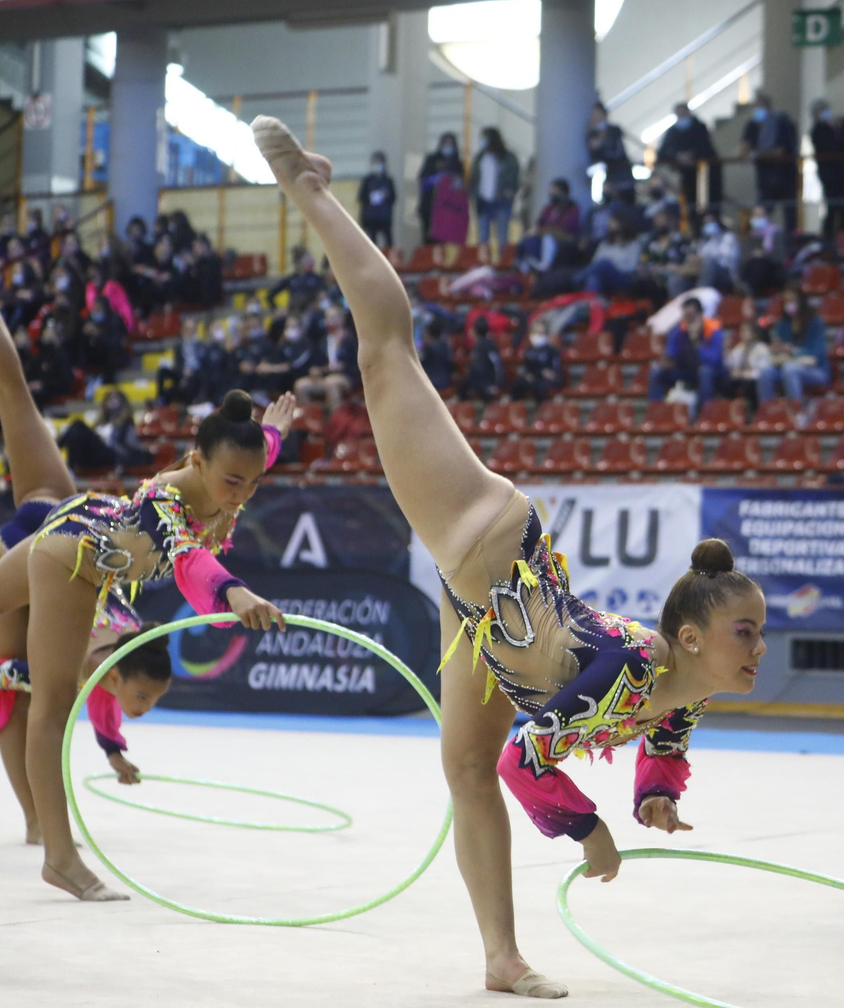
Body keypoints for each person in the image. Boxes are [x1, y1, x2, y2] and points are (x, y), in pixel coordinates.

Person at [254, 116, 768, 999]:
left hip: (487, 618)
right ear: (688, 639)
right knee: (386, 352)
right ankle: (309, 189)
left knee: (457, 767)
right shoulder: (623, 670)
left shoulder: (684, 690)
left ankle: (501, 957)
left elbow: (665, 741)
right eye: (747, 635)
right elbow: (527, 762)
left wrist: (655, 795)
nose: (759, 650)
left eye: (758, 635)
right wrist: (586, 830)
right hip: (483, 534)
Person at [0, 210, 292, 904]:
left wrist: (273, 438)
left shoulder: (223, 478)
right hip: (74, 556)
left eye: (252, 483)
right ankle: (60, 856)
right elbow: (193, 566)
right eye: (231, 482)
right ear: (196, 462)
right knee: (50, 706)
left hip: (76, 520)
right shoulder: (176, 500)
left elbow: (248, 464)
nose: (240, 498)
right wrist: (236, 595)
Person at [0, 630, 171, 844]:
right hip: (67, 625)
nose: (148, 708)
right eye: (142, 697)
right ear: (114, 677)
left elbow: (102, 695)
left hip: (108, 623)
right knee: (28, 703)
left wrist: (113, 752)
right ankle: (36, 822)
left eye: (155, 699)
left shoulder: (127, 659)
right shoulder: (66, 673)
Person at [649, 296, 724, 414]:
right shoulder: (678, 329)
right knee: (656, 371)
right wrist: (666, 361)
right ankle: (657, 412)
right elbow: (671, 353)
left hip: (708, 370)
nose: (688, 320)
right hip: (684, 369)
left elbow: (715, 359)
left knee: (705, 372)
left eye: (691, 316)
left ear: (700, 314)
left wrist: (696, 342)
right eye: (685, 316)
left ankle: (702, 413)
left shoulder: (713, 328)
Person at [740, 92, 800, 235]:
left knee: (790, 214)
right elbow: (744, 151)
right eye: (755, 106)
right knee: (762, 212)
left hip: (785, 177)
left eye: (760, 105)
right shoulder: (751, 125)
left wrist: (757, 154)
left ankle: (791, 244)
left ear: (768, 106)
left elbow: (780, 152)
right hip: (765, 178)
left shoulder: (781, 122)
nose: (757, 109)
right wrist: (757, 154)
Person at [757, 289, 830, 404]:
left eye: (792, 300)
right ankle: (767, 411)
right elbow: (779, 348)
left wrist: (792, 351)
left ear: (801, 301)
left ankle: (797, 412)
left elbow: (816, 352)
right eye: (786, 301)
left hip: (816, 369)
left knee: (790, 369)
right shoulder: (782, 323)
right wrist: (776, 349)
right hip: (786, 365)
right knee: (765, 372)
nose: (789, 304)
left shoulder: (815, 322)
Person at [58, 389, 154, 471]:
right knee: (76, 430)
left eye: (115, 399)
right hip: (92, 455)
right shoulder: (100, 423)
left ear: (122, 402)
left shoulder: (126, 424)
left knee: (78, 424)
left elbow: (131, 446)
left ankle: (57, 450)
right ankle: (67, 465)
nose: (111, 402)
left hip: (110, 456)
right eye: (109, 399)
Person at [656, 103, 721, 222]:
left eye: (683, 113)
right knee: (691, 205)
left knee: (709, 202)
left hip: (705, 173)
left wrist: (692, 155)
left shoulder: (700, 127)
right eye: (678, 113)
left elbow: (705, 147)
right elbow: (662, 153)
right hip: (686, 175)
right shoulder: (673, 131)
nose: (681, 116)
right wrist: (678, 157)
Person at [808, 100, 844, 237]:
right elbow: (827, 147)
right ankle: (828, 240)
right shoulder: (816, 131)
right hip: (829, 175)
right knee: (832, 208)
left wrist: (837, 130)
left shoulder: (842, 124)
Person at [471, 127, 521, 253]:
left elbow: (514, 178)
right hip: (483, 202)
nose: (482, 141)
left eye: (485, 138)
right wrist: (474, 196)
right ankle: (484, 266)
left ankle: (502, 266)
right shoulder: (480, 157)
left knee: (502, 237)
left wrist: (509, 193)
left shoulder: (508, 157)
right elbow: (474, 179)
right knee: (483, 237)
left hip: (502, 202)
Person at [419, 133, 466, 243]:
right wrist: (436, 179)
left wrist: (453, 182)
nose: (448, 146)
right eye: (446, 143)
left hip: (448, 210)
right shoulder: (432, 159)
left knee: (446, 238)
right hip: (430, 204)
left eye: (451, 144)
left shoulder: (457, 163)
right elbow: (423, 180)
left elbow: (462, 187)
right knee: (429, 237)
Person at [586, 103, 635, 200]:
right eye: (594, 114)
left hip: (622, 169)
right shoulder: (592, 134)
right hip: (607, 172)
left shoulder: (614, 130)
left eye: (598, 114)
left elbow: (618, 149)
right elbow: (594, 150)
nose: (596, 117)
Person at [722, 320, 771, 407]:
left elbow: (763, 371)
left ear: (754, 333)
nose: (742, 333)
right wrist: (727, 350)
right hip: (741, 377)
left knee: (748, 384)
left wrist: (745, 374)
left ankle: (754, 410)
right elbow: (730, 364)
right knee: (726, 381)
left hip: (754, 378)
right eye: (742, 331)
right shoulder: (739, 348)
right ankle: (730, 410)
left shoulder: (762, 348)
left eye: (746, 330)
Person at [512, 323, 564, 402]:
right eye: (534, 333)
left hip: (546, 379)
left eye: (540, 333)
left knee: (539, 386)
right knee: (517, 385)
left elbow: (556, 368)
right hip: (533, 376)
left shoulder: (551, 350)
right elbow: (526, 367)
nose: (536, 336)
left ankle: (543, 409)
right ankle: (516, 408)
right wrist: (526, 375)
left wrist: (552, 374)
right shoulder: (529, 350)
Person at [357, 151, 398, 248]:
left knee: (388, 241)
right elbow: (361, 197)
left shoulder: (388, 180)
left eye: (379, 162)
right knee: (372, 242)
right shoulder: (367, 180)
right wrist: (372, 197)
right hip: (371, 217)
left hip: (385, 217)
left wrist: (385, 196)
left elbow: (393, 197)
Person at [536, 178, 582, 247]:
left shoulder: (573, 209)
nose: (551, 194)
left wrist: (548, 230)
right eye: (551, 191)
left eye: (555, 191)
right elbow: (539, 225)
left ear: (563, 192)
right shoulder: (548, 208)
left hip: (565, 241)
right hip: (544, 238)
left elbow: (564, 228)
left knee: (548, 240)